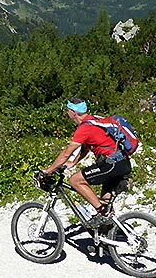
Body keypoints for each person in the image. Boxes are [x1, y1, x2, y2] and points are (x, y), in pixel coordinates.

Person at [42, 97, 132, 228]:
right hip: (123, 162)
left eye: (67, 110)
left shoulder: (84, 128)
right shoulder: (94, 120)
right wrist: (73, 163)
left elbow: (66, 152)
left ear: (73, 112)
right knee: (104, 201)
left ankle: (103, 214)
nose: (67, 113)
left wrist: (48, 171)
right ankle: (106, 239)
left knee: (75, 180)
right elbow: (86, 146)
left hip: (111, 164)